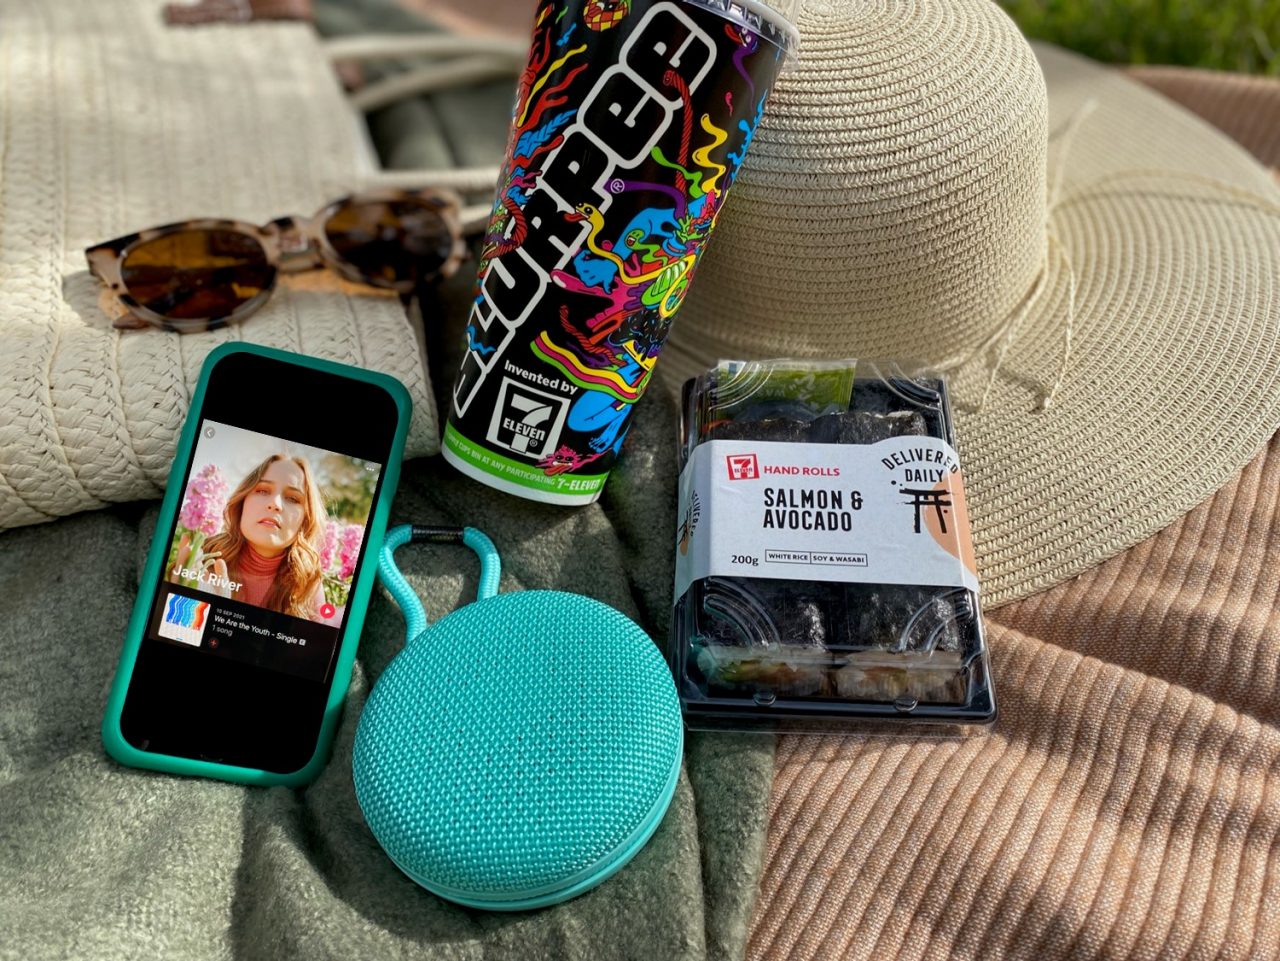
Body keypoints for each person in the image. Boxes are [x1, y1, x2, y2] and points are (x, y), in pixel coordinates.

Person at [173, 453, 327, 620]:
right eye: (262, 490)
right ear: (242, 503)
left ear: (305, 519)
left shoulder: (308, 584)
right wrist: (178, 598)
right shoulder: (203, 557)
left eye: (292, 498)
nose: (275, 504)